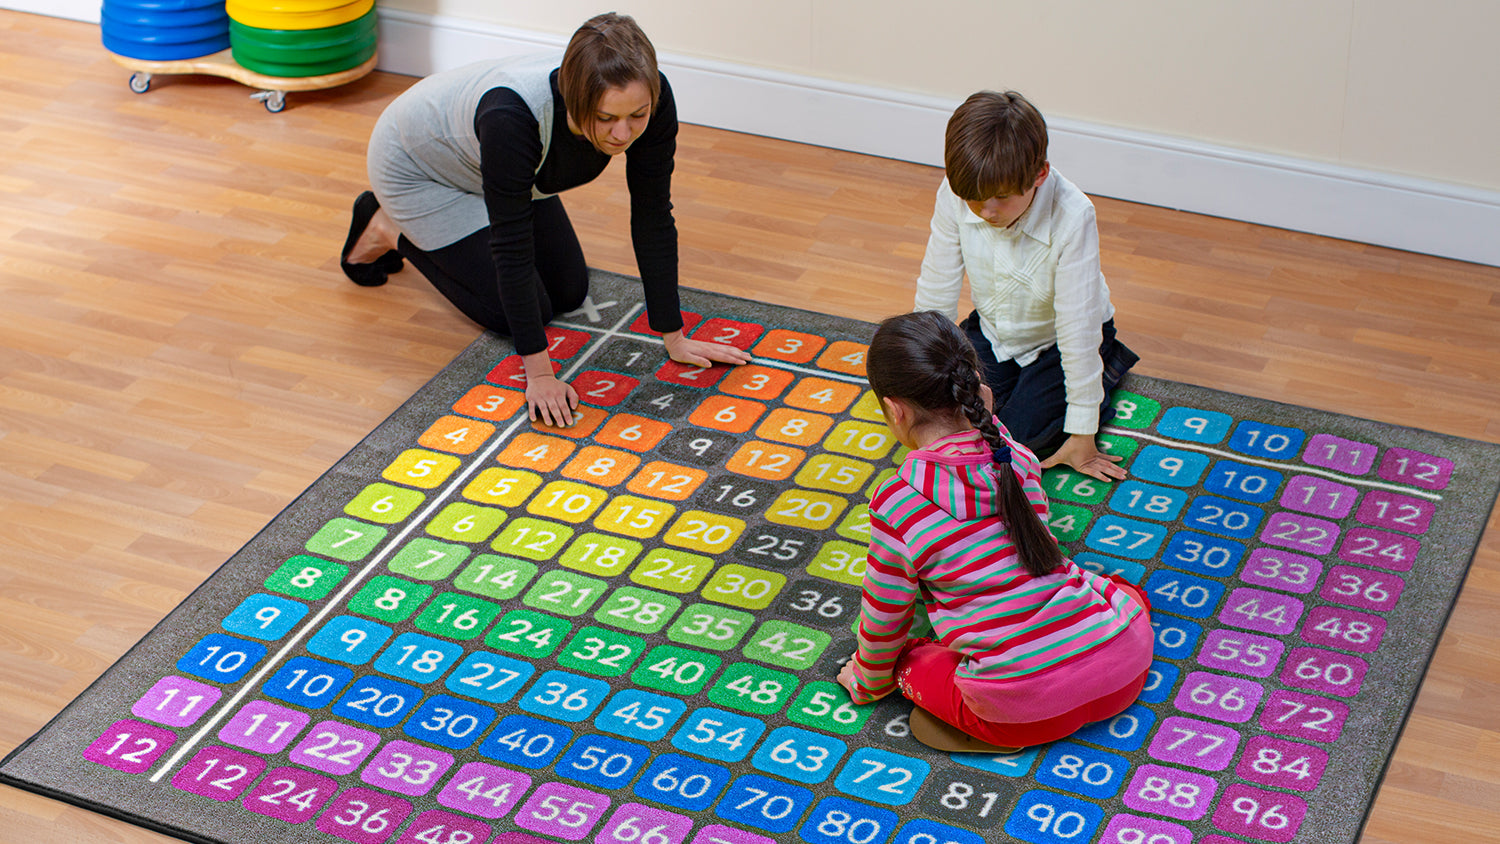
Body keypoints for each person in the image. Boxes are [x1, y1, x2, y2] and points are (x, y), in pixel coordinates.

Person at [340, 13, 750, 426]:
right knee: (514, 314)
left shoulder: (650, 101)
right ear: (575, 99)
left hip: (510, 172)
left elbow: (653, 215)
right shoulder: (512, 118)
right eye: (605, 119)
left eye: (636, 116)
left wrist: (673, 335)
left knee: (569, 291)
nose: (623, 134)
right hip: (420, 170)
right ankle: (384, 225)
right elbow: (511, 245)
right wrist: (539, 374)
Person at [835, 311, 1153, 753]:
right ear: (978, 386)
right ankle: (1099, 636)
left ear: (894, 409)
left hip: (1022, 713)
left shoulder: (898, 502)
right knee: (1112, 589)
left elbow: (886, 615)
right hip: (1126, 668)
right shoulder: (1015, 456)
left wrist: (869, 680)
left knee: (909, 658)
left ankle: (993, 711)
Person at [914, 90, 1138, 482]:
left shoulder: (1074, 216)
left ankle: (1104, 374)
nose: (986, 212)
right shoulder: (953, 193)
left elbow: (1077, 326)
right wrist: (920, 373)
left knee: (1009, 441)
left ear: (1039, 174)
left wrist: (1082, 431)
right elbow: (937, 287)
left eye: (1001, 198)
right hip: (994, 333)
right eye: (973, 199)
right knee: (949, 420)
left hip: (1059, 342)